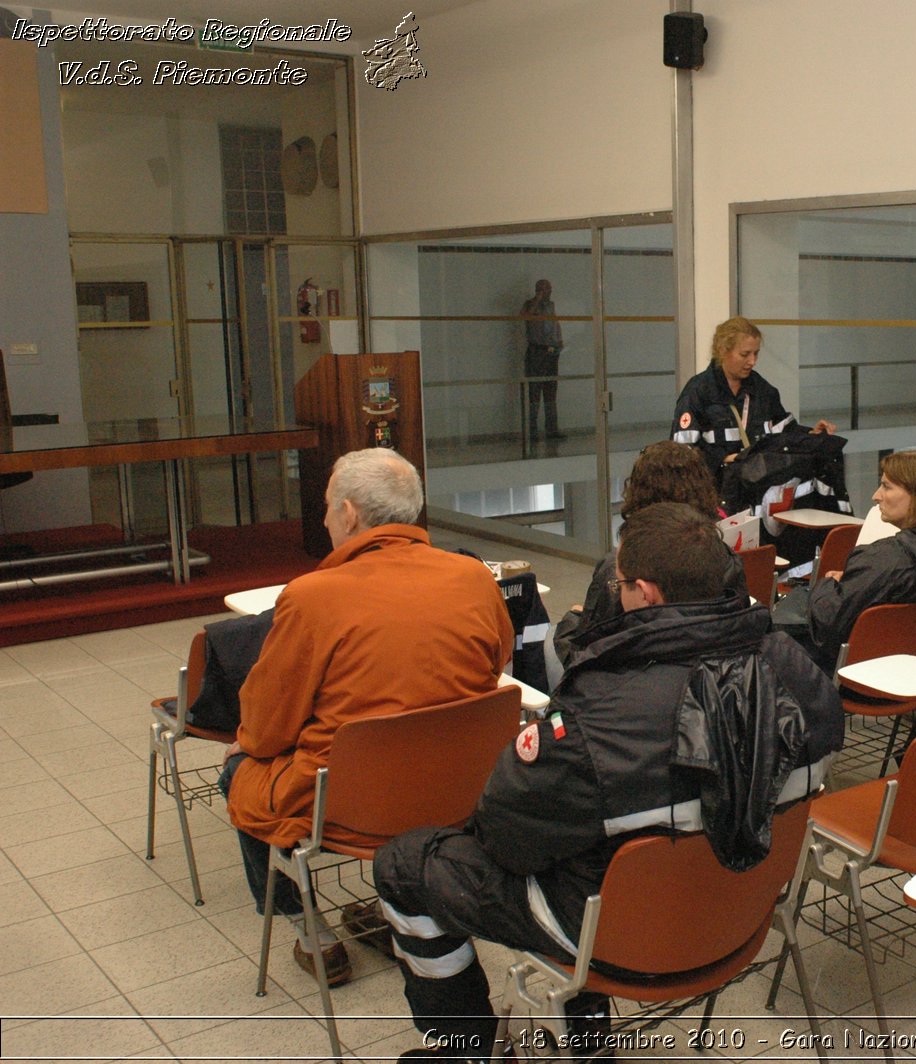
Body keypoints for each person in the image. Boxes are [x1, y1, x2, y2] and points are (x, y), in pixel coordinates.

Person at [376, 502, 845, 1062]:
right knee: (590, 837)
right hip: (739, 919)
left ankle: (464, 1049)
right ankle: (585, 1028)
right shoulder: (806, 678)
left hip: (622, 942)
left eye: (618, 582)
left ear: (644, 593)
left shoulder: (598, 716)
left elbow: (503, 838)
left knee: (405, 864)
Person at [219, 448, 514, 986]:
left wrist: (247, 745)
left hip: (351, 804)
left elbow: (266, 726)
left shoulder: (313, 597)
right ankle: (391, 909)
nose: (326, 517)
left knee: (239, 768)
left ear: (350, 514)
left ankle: (315, 936)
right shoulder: (473, 578)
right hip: (461, 791)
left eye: (329, 506)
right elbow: (495, 669)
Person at [554, 440, 747, 665]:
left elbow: (584, 655)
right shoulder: (726, 558)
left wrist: (572, 622)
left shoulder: (620, 569)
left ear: (638, 491)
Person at [783, 449, 916, 672]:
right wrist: (856, 580)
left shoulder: (881, 560)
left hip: (857, 675)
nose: (876, 495)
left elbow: (828, 625)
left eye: (887, 486)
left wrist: (827, 585)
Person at [671, 316, 835, 486]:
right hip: (713, 490)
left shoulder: (761, 389)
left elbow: (783, 430)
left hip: (754, 490)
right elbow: (682, 451)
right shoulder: (698, 391)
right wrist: (724, 459)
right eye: (745, 354)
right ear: (722, 351)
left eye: (756, 353)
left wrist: (810, 435)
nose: (752, 361)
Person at [522, 279, 564, 441]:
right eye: (545, 289)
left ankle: (552, 429)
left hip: (551, 351)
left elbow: (554, 323)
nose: (549, 292)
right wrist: (537, 300)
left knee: (551, 390)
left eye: (549, 289)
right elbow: (525, 317)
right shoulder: (529, 305)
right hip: (536, 351)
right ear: (538, 290)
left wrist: (559, 341)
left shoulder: (551, 306)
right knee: (534, 391)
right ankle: (532, 431)